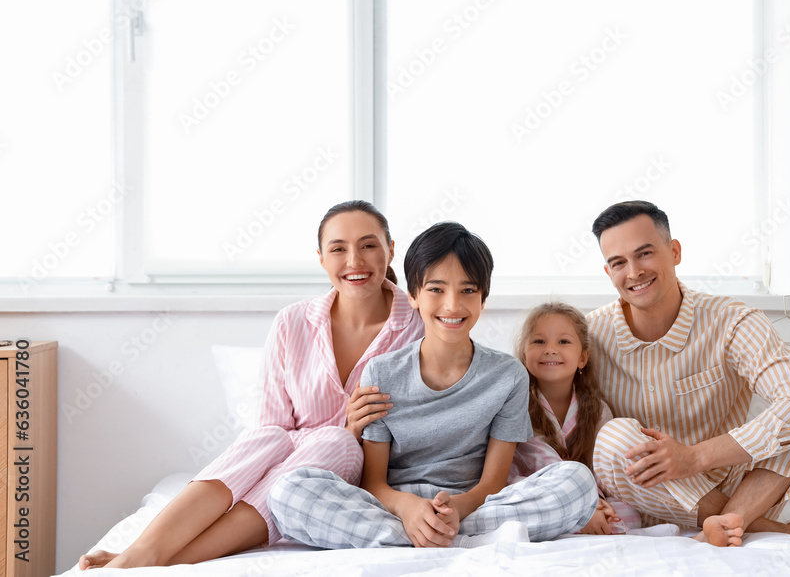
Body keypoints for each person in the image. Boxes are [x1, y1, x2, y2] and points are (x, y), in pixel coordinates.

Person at [79, 200, 424, 569]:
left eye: (369, 245)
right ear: (322, 258)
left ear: (390, 250)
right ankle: (141, 552)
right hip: (289, 454)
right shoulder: (293, 322)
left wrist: (353, 431)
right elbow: (274, 422)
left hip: (344, 477)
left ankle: (156, 561)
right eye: (338, 248)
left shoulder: (418, 324)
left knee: (334, 439)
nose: (354, 260)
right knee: (265, 437)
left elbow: (420, 424)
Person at [268, 222, 599, 549]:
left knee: (578, 482)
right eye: (436, 289)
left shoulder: (507, 374)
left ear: (482, 299)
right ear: (413, 295)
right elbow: (373, 483)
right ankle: (445, 537)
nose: (452, 305)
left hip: (474, 505)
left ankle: (430, 536)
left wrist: (457, 509)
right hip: (396, 507)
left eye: (468, 290)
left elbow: (494, 482)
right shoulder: (382, 372)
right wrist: (408, 510)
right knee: (287, 491)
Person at [587, 200, 790, 550]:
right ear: (608, 272)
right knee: (613, 437)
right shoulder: (590, 334)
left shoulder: (731, 320)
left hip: (736, 485)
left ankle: (727, 522)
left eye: (644, 254)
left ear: (674, 251)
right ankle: (782, 530)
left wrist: (693, 457)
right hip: (643, 495)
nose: (633, 272)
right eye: (618, 263)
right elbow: (558, 423)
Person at [509, 301, 744, 545]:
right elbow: (542, 460)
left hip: (590, 496)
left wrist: (600, 505)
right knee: (526, 513)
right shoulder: (519, 404)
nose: (550, 350)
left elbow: (602, 469)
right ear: (524, 354)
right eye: (538, 341)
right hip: (537, 493)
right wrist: (585, 505)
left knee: (627, 513)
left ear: (582, 358)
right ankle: (583, 525)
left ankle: (588, 528)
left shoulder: (596, 409)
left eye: (563, 342)